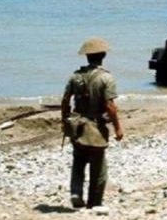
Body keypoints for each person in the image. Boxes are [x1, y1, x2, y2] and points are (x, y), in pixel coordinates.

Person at [61, 37, 124, 209]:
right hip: (97, 127)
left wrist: (65, 121)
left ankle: (76, 192)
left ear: (87, 57)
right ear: (103, 56)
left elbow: (65, 101)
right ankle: (94, 202)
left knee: (78, 161)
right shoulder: (106, 78)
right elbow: (110, 106)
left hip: (78, 126)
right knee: (99, 166)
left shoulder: (75, 76)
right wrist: (118, 128)